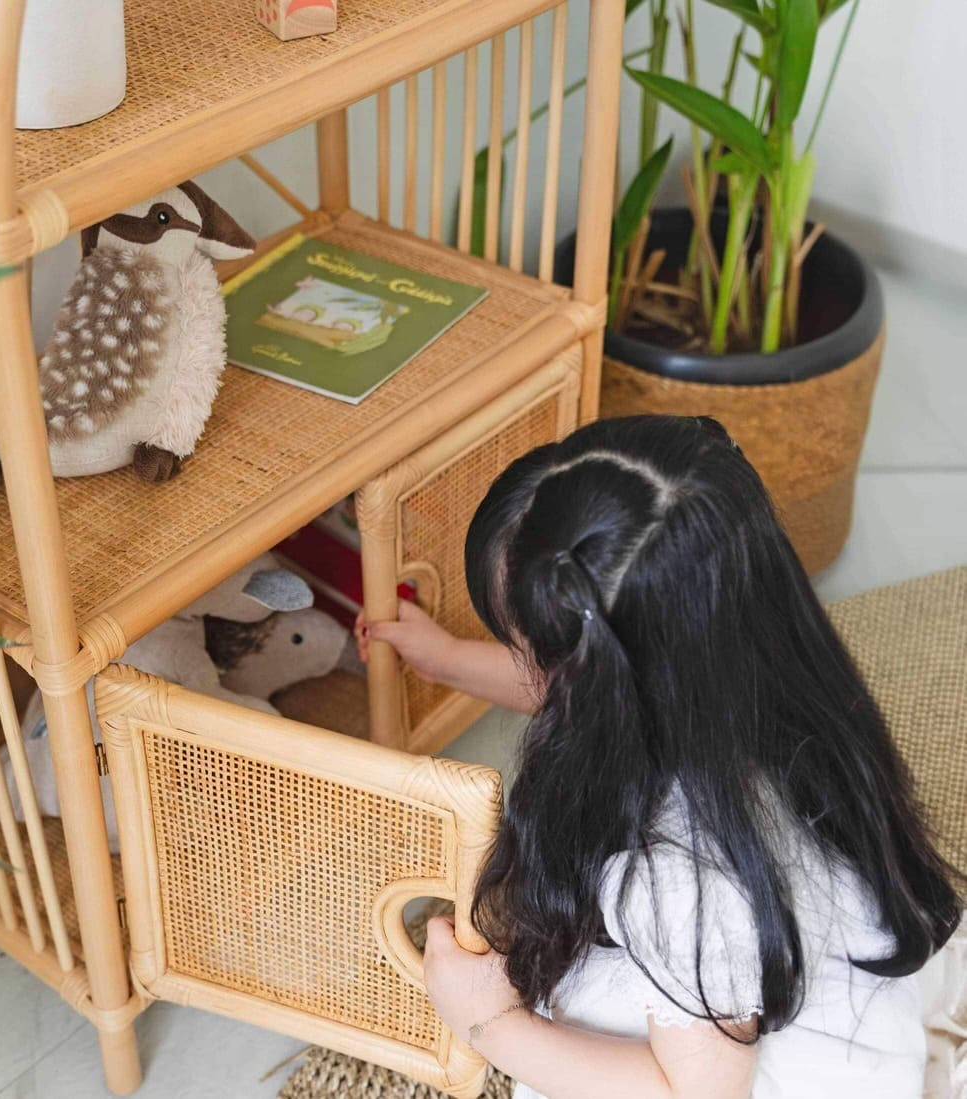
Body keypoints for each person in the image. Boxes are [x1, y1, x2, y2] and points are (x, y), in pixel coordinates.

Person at [356, 415, 961, 1099]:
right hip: (803, 982)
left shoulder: (676, 882)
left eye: (524, 648)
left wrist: (488, 1021)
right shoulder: (758, 669)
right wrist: (445, 660)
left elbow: (696, 1092)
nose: (528, 671)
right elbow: (582, 687)